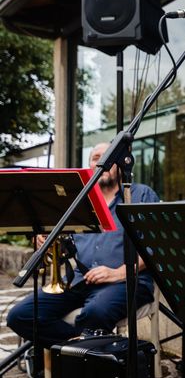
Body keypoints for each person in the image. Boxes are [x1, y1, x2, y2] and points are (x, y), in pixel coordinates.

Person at [8, 142, 159, 353]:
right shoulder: (78, 200)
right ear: (89, 165)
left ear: (120, 163)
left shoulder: (140, 194)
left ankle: (85, 355)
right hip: (80, 281)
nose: (102, 162)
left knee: (95, 313)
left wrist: (117, 273)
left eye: (107, 157)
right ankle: (83, 347)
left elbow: (155, 248)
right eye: (96, 158)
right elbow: (62, 250)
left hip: (127, 281)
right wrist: (45, 241)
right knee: (20, 315)